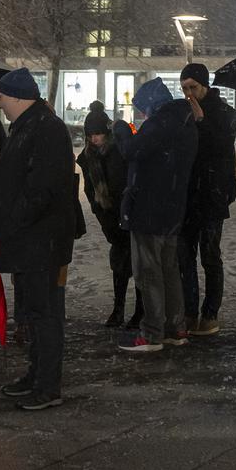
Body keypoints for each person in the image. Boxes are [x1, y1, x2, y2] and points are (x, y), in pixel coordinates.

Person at [0, 67, 78, 410]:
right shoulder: (29, 127)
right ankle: (36, 374)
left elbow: (43, 188)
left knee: (45, 314)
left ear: (15, 97)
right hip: (29, 240)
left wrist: (15, 218)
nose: (0, 104)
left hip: (42, 240)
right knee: (31, 312)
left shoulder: (45, 129)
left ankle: (47, 385)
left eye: (1, 97)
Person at [115, 78, 197, 354]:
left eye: (142, 109)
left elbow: (131, 151)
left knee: (149, 272)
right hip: (173, 208)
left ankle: (152, 333)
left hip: (149, 209)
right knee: (170, 270)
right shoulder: (184, 125)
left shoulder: (159, 124)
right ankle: (176, 328)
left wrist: (122, 131)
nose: (141, 115)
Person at [178, 63, 236, 337]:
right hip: (187, 196)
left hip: (212, 195)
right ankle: (190, 312)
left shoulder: (224, 113)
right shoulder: (183, 113)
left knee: (210, 256)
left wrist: (201, 121)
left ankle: (210, 313)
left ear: (204, 86)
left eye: (193, 87)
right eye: (184, 88)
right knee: (184, 256)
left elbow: (222, 148)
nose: (189, 93)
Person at [77, 102, 141, 329]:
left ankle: (140, 311)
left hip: (129, 215)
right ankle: (119, 309)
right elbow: (91, 191)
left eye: (98, 134)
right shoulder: (87, 158)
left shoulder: (120, 150)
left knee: (137, 263)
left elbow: (128, 182)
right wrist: (102, 216)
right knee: (119, 265)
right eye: (91, 135)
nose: (95, 139)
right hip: (110, 218)